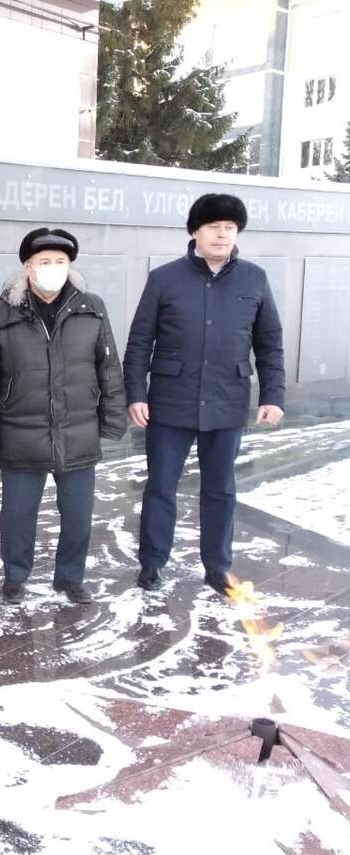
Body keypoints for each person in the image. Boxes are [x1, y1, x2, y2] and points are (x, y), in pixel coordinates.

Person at [124, 194, 285, 595]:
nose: (222, 234)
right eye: (214, 226)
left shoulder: (254, 278)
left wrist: (273, 395)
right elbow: (140, 340)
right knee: (161, 486)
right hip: (170, 400)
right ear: (195, 231)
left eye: (230, 228)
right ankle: (153, 563)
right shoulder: (164, 278)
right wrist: (135, 393)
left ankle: (217, 566)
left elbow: (269, 342)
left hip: (227, 399)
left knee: (221, 489)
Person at [0, 228, 126, 604]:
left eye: (60, 261)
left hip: (77, 429)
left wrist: (113, 419)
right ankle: (15, 576)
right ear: (27, 268)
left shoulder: (92, 308)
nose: (53, 268)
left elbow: (108, 368)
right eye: (44, 261)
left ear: (70, 266)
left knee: (78, 513)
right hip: (21, 431)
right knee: (18, 514)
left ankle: (70, 577)